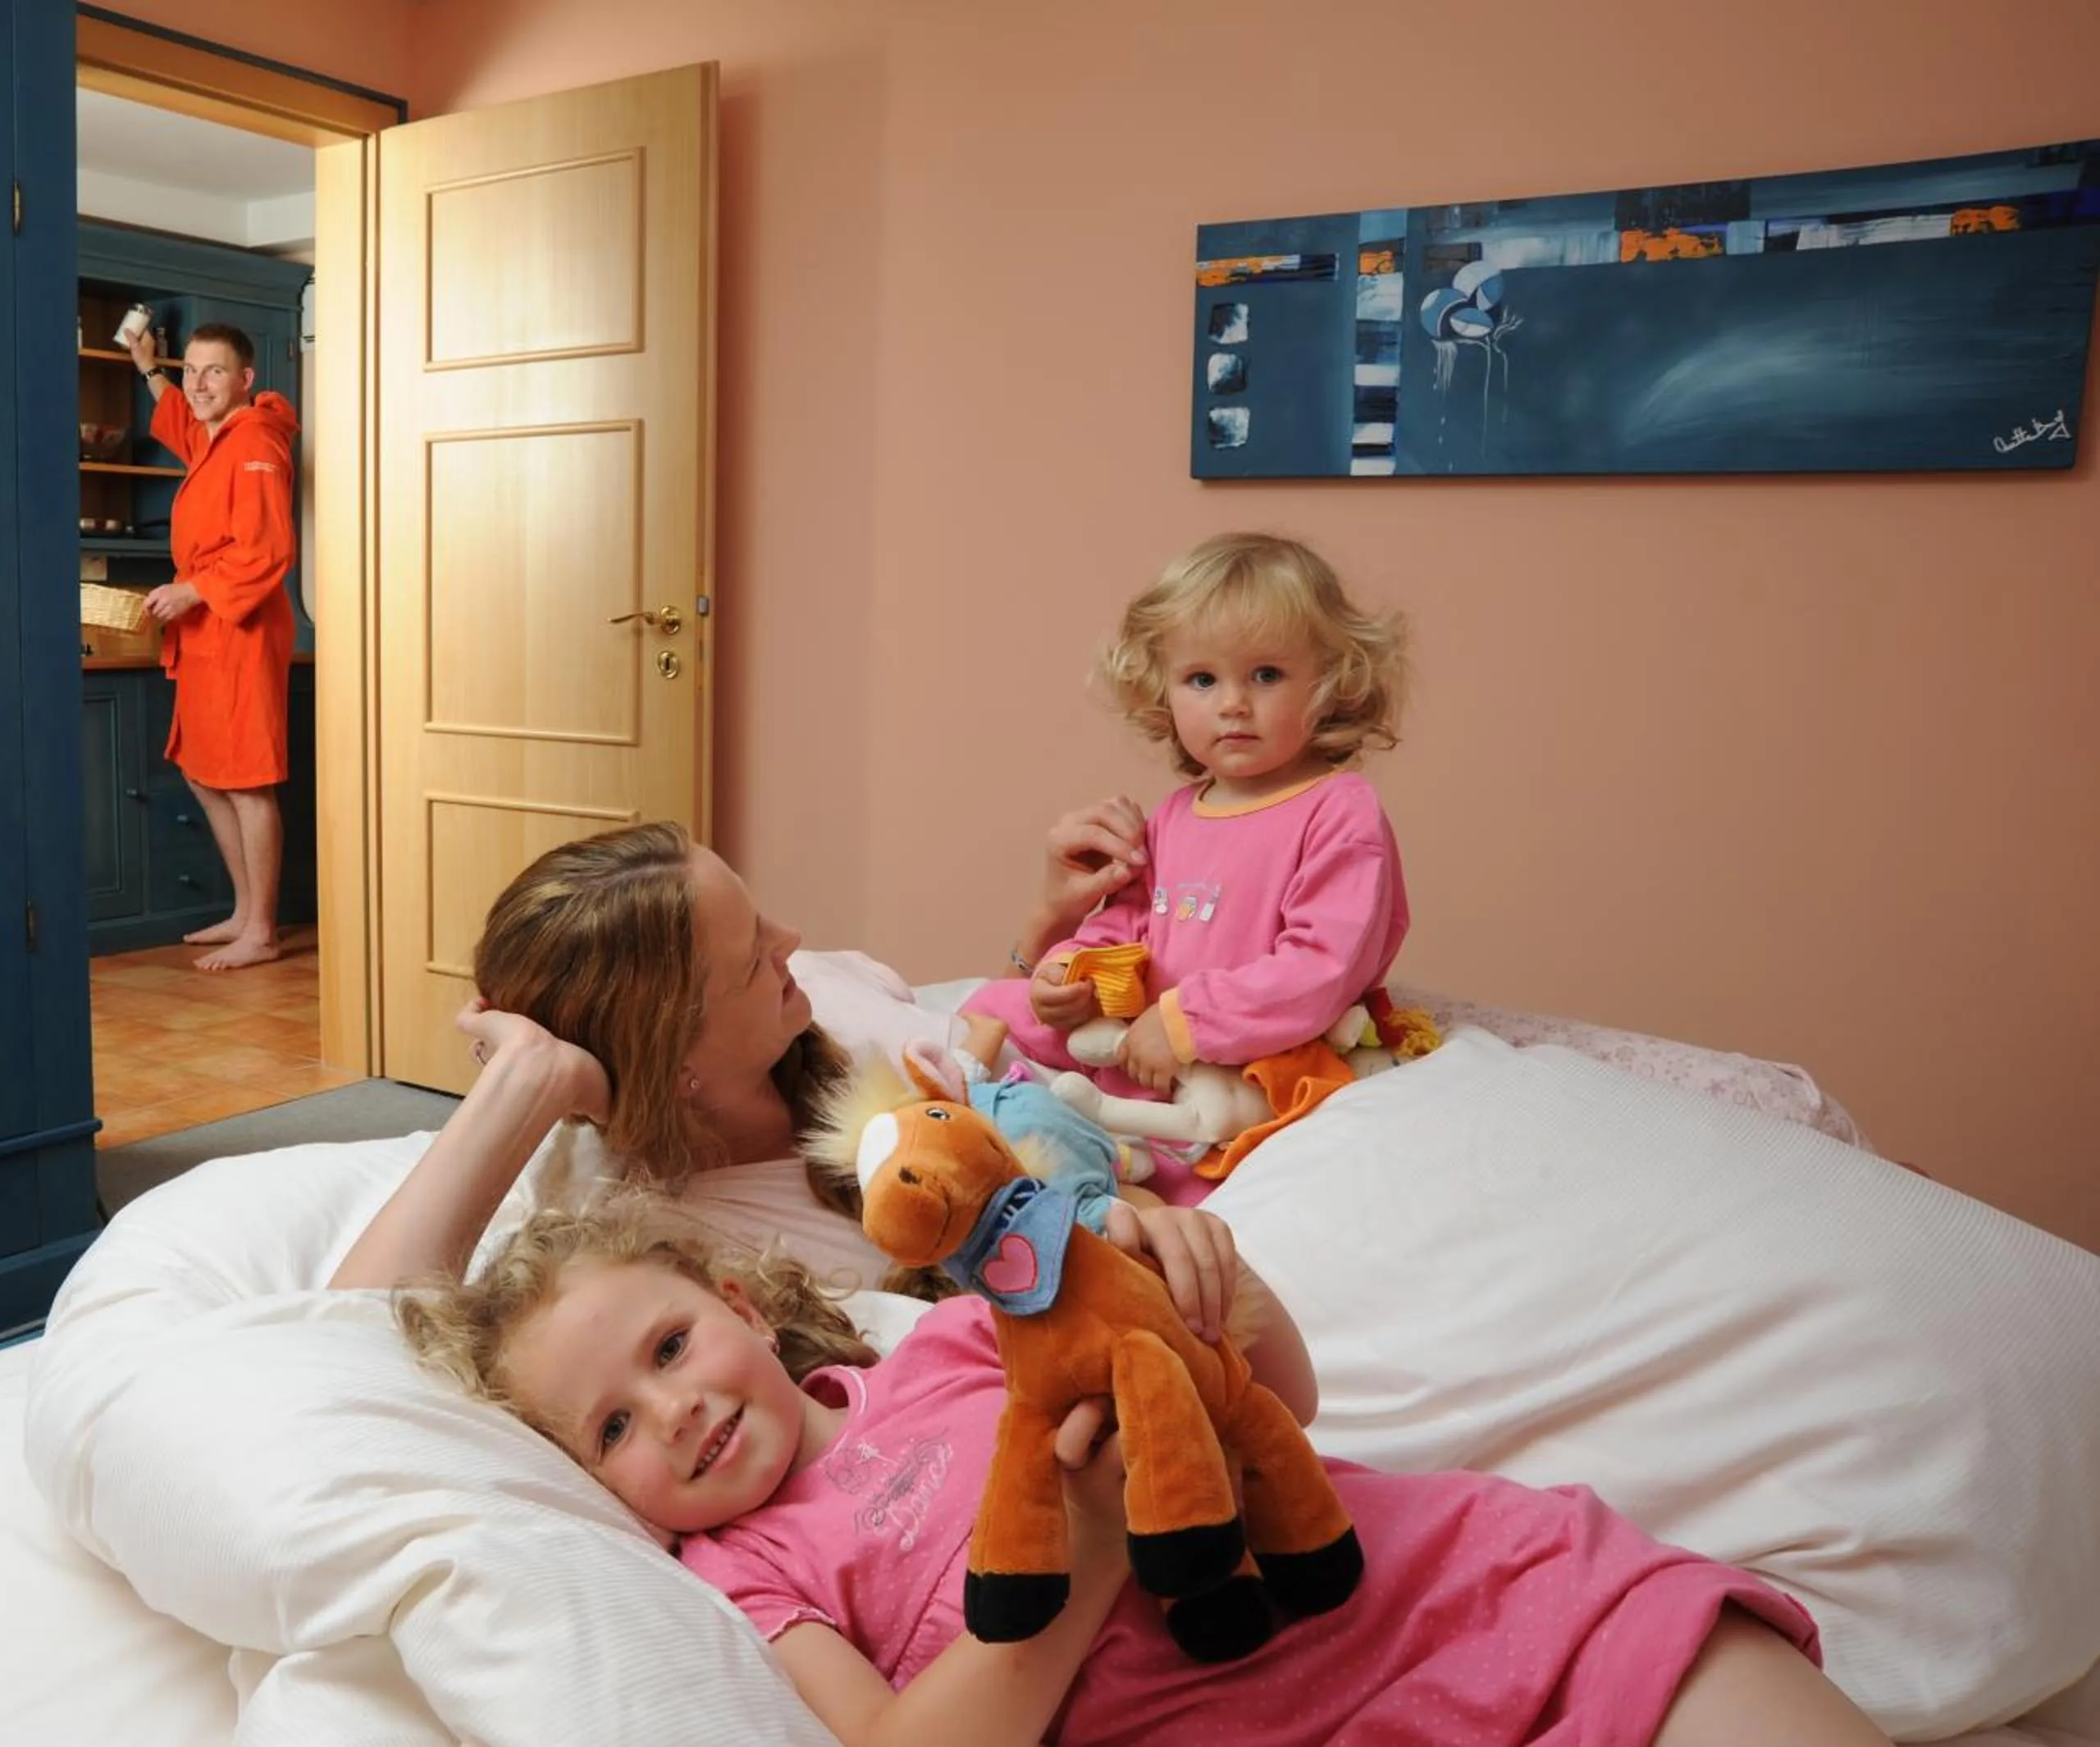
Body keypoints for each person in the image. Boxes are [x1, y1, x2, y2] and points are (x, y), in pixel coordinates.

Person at [399, 1203, 1897, 1747]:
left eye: (668, 1348)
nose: (670, 1417)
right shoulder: (747, 1574)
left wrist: (1224, 1299)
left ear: (737, 1301)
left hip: (1473, 1599)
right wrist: (1100, 1548)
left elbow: (1278, 1418)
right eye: (608, 1431)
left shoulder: (958, 1345)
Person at [328, 818, 1244, 1343]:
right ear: (675, 1059)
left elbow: (980, 1032)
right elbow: (345, 1345)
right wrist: (523, 1078)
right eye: (750, 957)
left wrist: (1044, 927)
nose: (792, 944)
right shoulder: (653, 1229)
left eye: (761, 918)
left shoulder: (816, 1002)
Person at [961, 531, 1414, 1197]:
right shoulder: (1176, 814)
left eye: (1266, 675)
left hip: (1247, 1072)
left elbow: (1321, 967)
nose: (1232, 703)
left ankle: (1124, 1184)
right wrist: (1074, 969)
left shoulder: (1340, 811)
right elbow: (1129, 921)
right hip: (1142, 1052)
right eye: (1203, 679)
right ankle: (959, 1105)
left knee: (1202, 1187)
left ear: (1331, 682)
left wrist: (1186, 1023)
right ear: (1164, 691)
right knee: (994, 1009)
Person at [127, 319, 300, 971]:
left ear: (246, 379)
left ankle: (261, 928)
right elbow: (179, 420)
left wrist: (194, 591)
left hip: (240, 626)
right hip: (205, 630)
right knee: (203, 771)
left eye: (214, 372)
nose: (198, 385)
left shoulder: (255, 439)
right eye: (192, 370)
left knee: (248, 779)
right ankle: (243, 910)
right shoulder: (212, 437)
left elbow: (268, 549)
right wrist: (149, 366)